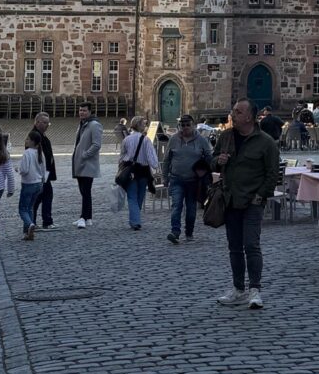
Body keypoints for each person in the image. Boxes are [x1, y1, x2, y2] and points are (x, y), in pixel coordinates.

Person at [213, 98, 280, 310]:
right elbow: (211, 159)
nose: (233, 114)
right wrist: (217, 161)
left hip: (252, 201)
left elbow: (272, 173)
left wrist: (261, 195)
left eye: (238, 112)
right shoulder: (225, 137)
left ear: (250, 116)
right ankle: (238, 288)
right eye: (233, 110)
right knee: (234, 247)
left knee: (251, 245)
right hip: (230, 199)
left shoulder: (265, 142)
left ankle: (255, 290)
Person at [163, 114, 213, 245]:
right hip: (176, 178)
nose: (185, 128)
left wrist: (209, 170)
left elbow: (209, 156)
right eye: (182, 125)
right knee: (176, 206)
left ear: (193, 125)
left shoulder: (201, 140)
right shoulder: (173, 139)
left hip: (193, 181)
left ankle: (189, 232)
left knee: (191, 209)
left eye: (188, 125)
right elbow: (167, 159)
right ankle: (175, 232)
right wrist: (165, 177)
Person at [120, 117, 159, 230]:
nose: (145, 126)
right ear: (139, 125)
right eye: (143, 124)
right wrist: (155, 166)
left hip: (130, 170)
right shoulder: (146, 140)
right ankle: (135, 220)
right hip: (143, 170)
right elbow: (152, 158)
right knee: (140, 196)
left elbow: (122, 156)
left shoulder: (126, 140)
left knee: (132, 196)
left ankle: (135, 220)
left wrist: (121, 168)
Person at [72, 102, 103, 229]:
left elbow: (96, 144)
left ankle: (83, 217)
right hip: (80, 163)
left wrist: (85, 154)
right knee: (84, 191)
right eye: (80, 110)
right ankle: (88, 217)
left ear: (90, 112)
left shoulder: (94, 125)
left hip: (87, 163)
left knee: (85, 191)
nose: (81, 112)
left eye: (84, 110)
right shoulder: (83, 124)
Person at [17, 130, 46, 241]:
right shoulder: (40, 152)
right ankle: (27, 232)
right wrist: (42, 180)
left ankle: (29, 224)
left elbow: (24, 170)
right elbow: (44, 169)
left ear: (33, 141)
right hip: (38, 183)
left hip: (28, 183)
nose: (26, 141)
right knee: (30, 207)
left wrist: (18, 169)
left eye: (28, 139)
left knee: (22, 209)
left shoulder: (27, 153)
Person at [30, 112, 57, 230]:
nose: (47, 125)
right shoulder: (34, 136)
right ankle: (45, 221)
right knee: (42, 197)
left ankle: (36, 221)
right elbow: (33, 155)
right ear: (37, 122)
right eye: (44, 123)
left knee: (41, 197)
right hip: (40, 173)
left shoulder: (41, 134)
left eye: (48, 123)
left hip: (44, 173)